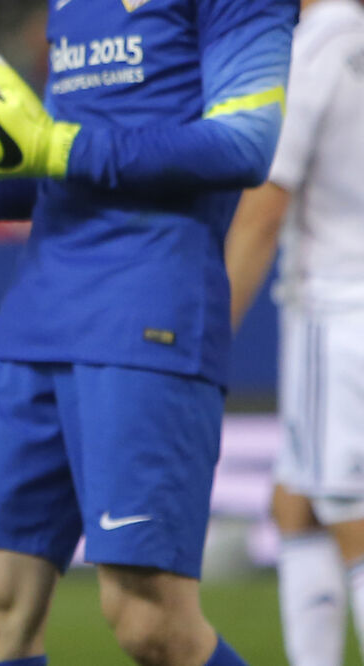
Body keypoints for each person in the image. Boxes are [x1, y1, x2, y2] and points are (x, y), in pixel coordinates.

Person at [0, 0, 298, 663]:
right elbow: (67, 165)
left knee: (149, 618)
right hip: (36, 316)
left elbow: (245, 141)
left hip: (148, 312)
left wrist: (60, 146)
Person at [225, 1, 364, 663]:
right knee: (297, 503)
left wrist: (208, 338)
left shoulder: (311, 53)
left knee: (352, 518)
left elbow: (263, 211)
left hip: (336, 311)